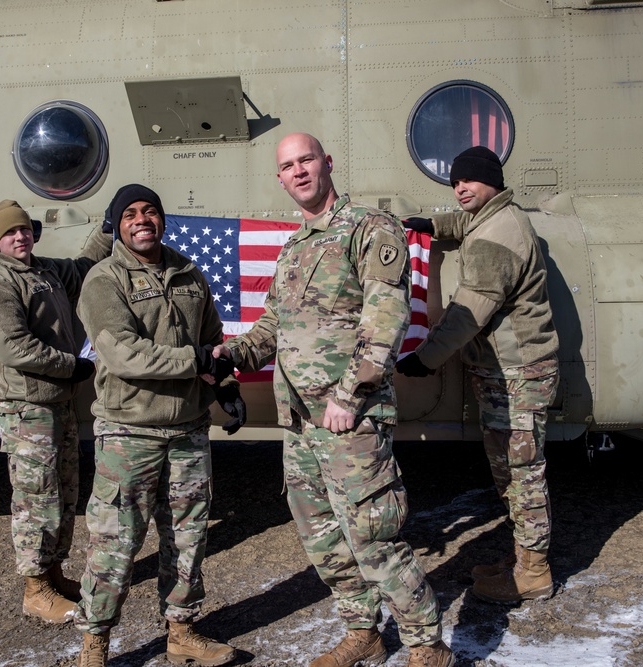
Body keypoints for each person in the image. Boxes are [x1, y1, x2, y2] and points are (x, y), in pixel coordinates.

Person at [214, 133, 453, 667]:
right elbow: (275, 324)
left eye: (306, 160)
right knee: (323, 538)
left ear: (327, 163)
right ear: (280, 179)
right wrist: (233, 352)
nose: (298, 172)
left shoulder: (369, 229)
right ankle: (362, 631)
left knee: (374, 538)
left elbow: (386, 317)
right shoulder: (295, 247)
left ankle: (427, 647)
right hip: (300, 423)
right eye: (287, 166)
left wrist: (350, 394)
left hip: (351, 418)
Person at [72, 184, 245, 667]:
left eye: (150, 211)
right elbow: (121, 352)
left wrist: (226, 387)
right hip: (131, 432)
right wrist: (196, 361)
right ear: (117, 224)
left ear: (162, 219)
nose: (142, 220)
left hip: (189, 430)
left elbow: (213, 339)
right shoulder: (104, 280)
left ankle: (182, 632)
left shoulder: (188, 272)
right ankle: (95, 643)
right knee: (116, 541)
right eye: (130, 214)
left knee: (188, 537)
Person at [397, 145, 559, 604]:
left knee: (522, 476)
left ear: (492, 180)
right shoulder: (492, 218)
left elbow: (468, 313)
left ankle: (534, 573)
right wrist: (434, 226)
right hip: (506, 373)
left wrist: (424, 359)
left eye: (467, 181)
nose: (460, 188)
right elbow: (465, 223)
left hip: (517, 376)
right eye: (454, 183)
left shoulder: (498, 234)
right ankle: (523, 557)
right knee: (509, 472)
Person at [0, 199, 111, 624]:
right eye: (10, 233)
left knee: (63, 491)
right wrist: (73, 365)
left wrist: (106, 229)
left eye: (25, 230)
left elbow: (84, 267)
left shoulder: (42, 271)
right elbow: (12, 347)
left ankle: (53, 573)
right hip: (26, 408)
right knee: (35, 497)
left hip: (55, 402)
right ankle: (35, 589)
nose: (20, 237)